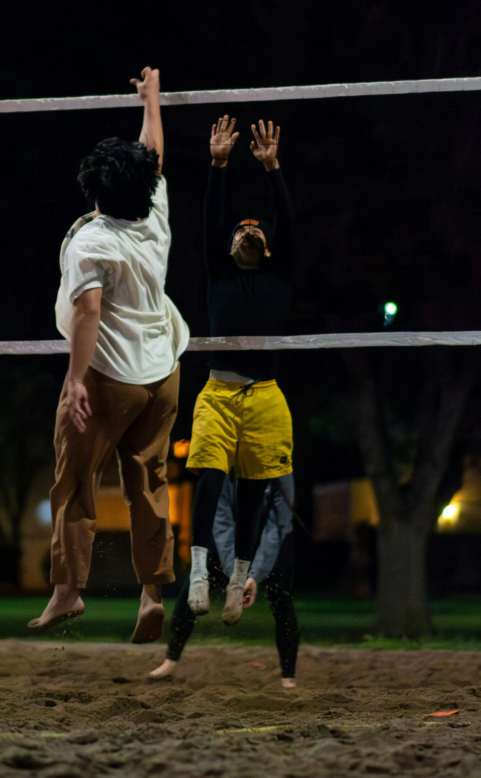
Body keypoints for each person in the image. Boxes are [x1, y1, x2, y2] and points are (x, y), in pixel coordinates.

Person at [28, 66, 189, 643]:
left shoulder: (93, 241)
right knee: (148, 483)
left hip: (110, 377)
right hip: (164, 372)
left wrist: (75, 381)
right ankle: (151, 594)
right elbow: (155, 157)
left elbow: (89, 313)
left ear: (95, 188)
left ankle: (68, 592)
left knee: (74, 482)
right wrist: (153, 102)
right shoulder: (155, 213)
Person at [186, 115, 293, 624]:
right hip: (218, 393)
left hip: (266, 396)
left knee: (254, 494)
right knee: (208, 480)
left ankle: (239, 580)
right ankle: (199, 574)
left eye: (255, 229)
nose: (245, 230)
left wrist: (273, 169)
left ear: (268, 248)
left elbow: (287, 222)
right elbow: (212, 219)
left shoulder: (279, 278)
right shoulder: (219, 276)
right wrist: (219, 165)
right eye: (239, 229)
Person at [149, 472, 299, 688]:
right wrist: (236, 577)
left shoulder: (279, 463)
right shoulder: (224, 465)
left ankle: (288, 676)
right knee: (193, 585)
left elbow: (277, 526)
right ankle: (170, 661)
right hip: (231, 542)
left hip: (273, 538)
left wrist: (254, 576)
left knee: (281, 596)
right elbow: (222, 525)